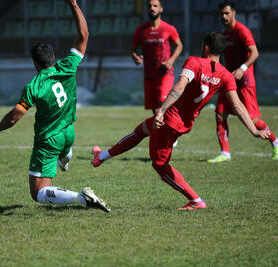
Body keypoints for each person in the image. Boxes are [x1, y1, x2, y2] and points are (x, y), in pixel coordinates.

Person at [91, 32, 269, 210]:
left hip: (170, 120)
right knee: (141, 130)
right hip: (183, 122)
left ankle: (196, 200)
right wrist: (254, 130)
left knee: (160, 165)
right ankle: (102, 156)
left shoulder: (194, 62)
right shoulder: (226, 75)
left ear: (205, 47)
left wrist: (162, 110)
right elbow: (238, 105)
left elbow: (180, 86)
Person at [0, 0, 109, 212]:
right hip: (69, 132)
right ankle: (65, 156)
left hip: (48, 141)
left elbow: (15, 116)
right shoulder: (67, 66)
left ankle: (82, 197)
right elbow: (83, 36)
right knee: (63, 149)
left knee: (38, 193)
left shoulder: (35, 85)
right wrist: (75, 6)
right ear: (53, 58)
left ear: (34, 63)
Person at [208, 1, 278, 163]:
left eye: (227, 13)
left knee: (253, 120)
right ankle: (225, 153)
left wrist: (242, 68)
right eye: (222, 14)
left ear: (234, 13)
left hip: (245, 81)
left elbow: (254, 53)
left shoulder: (242, 31)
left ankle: (275, 141)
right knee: (220, 114)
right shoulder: (224, 34)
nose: (224, 17)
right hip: (229, 81)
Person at [131, 0, 183, 114]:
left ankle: (167, 129)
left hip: (165, 74)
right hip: (149, 75)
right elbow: (133, 50)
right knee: (155, 110)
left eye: (155, 6)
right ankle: (160, 131)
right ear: (147, 9)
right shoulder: (141, 30)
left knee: (162, 103)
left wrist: (171, 60)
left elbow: (179, 45)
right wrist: (135, 58)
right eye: (150, 6)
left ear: (161, 9)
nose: (152, 8)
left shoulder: (168, 28)